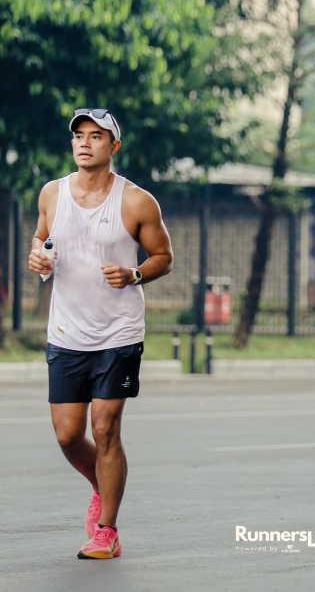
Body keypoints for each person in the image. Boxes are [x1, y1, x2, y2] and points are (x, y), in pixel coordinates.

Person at [28, 109, 173, 560]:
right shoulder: (52, 194)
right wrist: (38, 258)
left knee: (105, 426)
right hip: (67, 331)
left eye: (96, 136)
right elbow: (41, 240)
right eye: (78, 135)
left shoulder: (136, 202)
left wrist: (133, 273)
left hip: (118, 331)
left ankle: (107, 529)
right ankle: (100, 483)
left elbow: (163, 256)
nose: (84, 142)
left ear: (115, 146)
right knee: (69, 435)